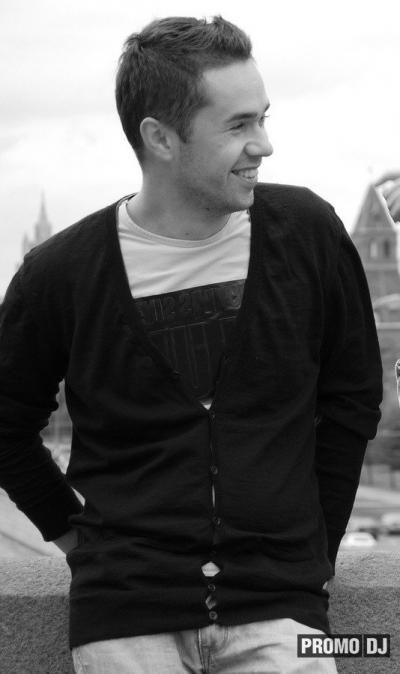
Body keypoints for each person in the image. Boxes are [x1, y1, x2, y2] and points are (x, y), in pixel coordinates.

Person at [0, 15, 382, 674]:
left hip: (284, 616)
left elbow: (353, 400)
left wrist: (314, 547)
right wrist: (78, 541)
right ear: (160, 138)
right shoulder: (60, 273)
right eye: (238, 125)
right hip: (125, 620)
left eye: (263, 117)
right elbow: (5, 422)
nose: (264, 144)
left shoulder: (309, 233)